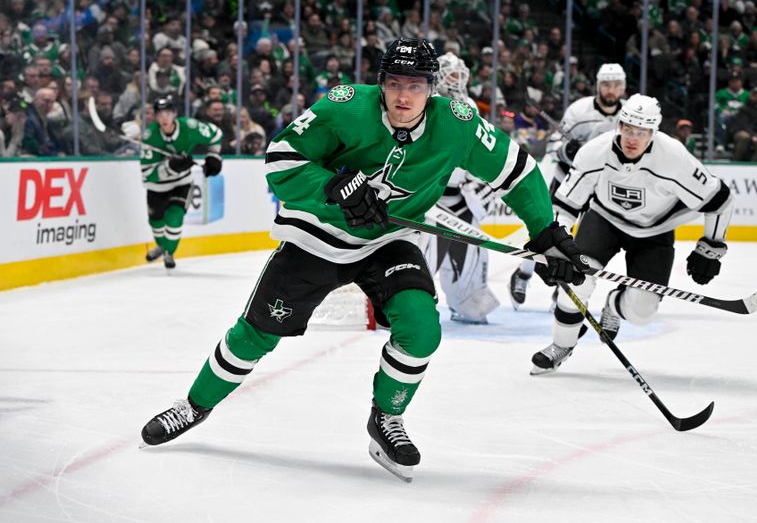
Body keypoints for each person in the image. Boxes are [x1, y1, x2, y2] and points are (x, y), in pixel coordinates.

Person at [139, 38, 588, 482]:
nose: (404, 96)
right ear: (381, 83)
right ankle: (194, 405)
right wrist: (333, 187)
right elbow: (280, 157)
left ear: (432, 89)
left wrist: (544, 232)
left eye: (415, 85)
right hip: (318, 238)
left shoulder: (459, 123)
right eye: (394, 83)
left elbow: (519, 172)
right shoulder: (345, 105)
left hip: (389, 241)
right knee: (255, 335)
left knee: (421, 328)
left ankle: (386, 419)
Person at [530, 94, 734, 375]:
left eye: (641, 132)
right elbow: (564, 205)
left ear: (654, 132)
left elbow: (721, 200)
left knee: (642, 312)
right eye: (627, 128)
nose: (632, 138)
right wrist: (555, 247)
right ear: (619, 124)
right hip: (604, 220)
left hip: (655, 232)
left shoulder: (674, 158)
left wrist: (711, 247)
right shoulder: (594, 152)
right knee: (576, 281)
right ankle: (561, 345)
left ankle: (614, 305)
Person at [509, 63, 627, 309]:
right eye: (606, 84)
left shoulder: (627, 116)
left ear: (623, 87)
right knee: (545, 231)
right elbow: (554, 146)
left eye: (616, 85)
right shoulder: (579, 111)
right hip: (567, 183)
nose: (611, 90)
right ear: (598, 86)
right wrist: (567, 151)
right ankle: (523, 273)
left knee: (577, 243)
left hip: (597, 190)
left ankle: (562, 288)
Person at [425, 51, 499, 324]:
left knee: (469, 256)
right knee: (424, 255)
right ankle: (411, 301)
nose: (456, 80)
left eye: (460, 75)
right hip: (431, 194)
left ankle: (465, 301)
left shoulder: (469, 104)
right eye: (451, 74)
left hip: (461, 197)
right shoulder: (428, 102)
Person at [140, 95, 223, 269]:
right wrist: (170, 166)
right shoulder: (150, 137)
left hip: (181, 183)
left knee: (174, 217)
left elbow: (216, 135)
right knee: (156, 224)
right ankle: (162, 246)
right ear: (155, 117)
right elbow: (147, 173)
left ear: (174, 114)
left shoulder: (190, 127)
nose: (164, 118)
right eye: (160, 114)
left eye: (168, 113)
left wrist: (213, 156)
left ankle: (169, 252)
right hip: (156, 188)